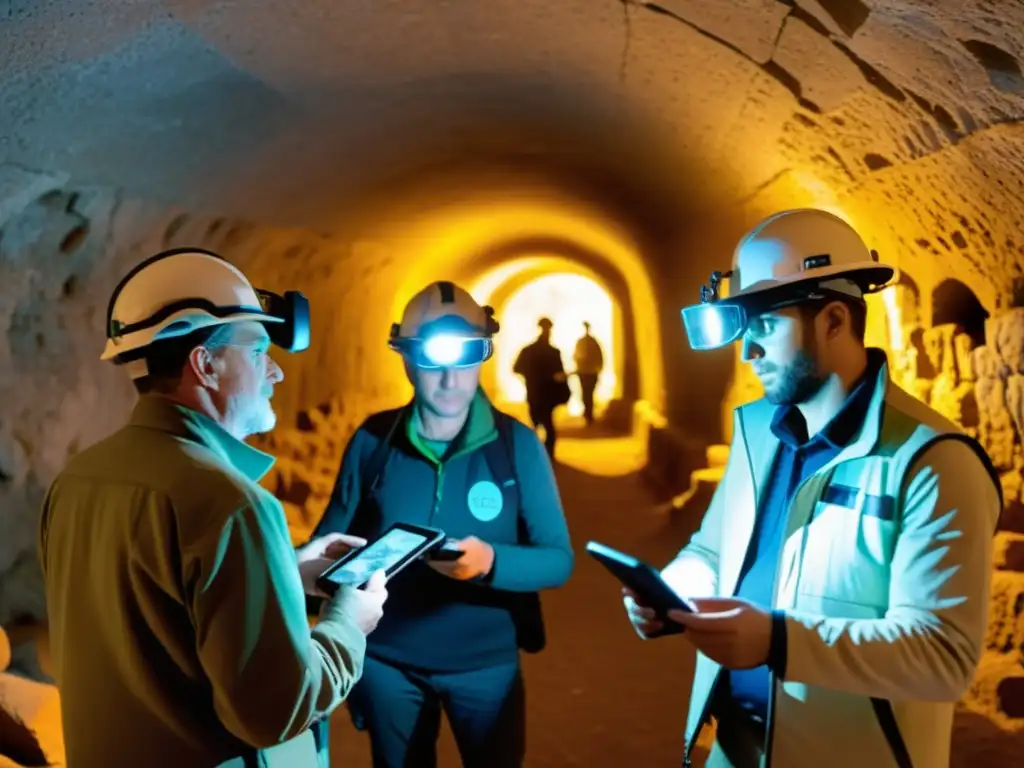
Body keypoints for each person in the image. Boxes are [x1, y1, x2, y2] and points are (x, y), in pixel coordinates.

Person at [623, 209, 1002, 767]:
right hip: (734, 747)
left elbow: (943, 656)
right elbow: (711, 550)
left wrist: (778, 642)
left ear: (832, 321)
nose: (747, 353)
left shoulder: (932, 460)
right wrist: (672, 593)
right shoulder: (758, 433)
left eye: (764, 327)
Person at [38, 248, 388, 768]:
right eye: (259, 352)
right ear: (206, 365)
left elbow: (152, 613)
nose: (276, 373)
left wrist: (282, 572)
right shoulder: (234, 505)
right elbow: (274, 712)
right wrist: (346, 624)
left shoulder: (78, 480)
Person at [310, 280, 574, 768]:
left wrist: (491, 562)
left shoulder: (516, 446)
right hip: (388, 664)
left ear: (484, 354)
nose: (452, 378)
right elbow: (324, 547)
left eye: (467, 356)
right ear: (406, 358)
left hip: (485, 668)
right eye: (433, 360)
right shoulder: (372, 442)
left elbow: (558, 561)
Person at [513, 317, 571, 458]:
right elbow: (559, 374)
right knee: (546, 422)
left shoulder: (528, 351)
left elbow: (516, 368)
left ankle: (538, 452)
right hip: (548, 393)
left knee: (538, 420)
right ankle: (546, 453)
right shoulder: (553, 352)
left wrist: (529, 378)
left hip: (535, 391)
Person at [572, 321, 604, 425]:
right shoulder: (587, 342)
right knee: (587, 393)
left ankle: (588, 413)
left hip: (589, 372)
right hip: (586, 372)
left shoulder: (587, 342)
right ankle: (588, 413)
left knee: (587, 393)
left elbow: (598, 357)